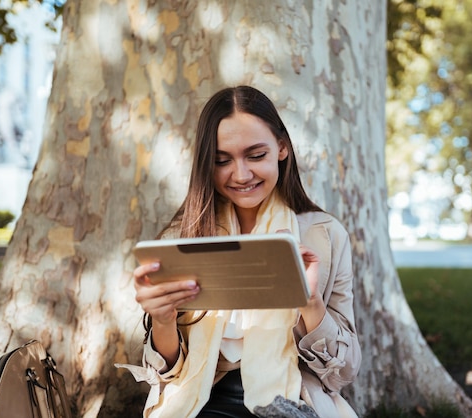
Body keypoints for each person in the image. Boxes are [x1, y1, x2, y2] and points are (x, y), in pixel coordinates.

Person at [118, 86, 361, 418]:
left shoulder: (324, 236)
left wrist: (310, 303)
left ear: (281, 148)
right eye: (222, 161)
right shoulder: (184, 237)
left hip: (292, 396)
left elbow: (343, 373)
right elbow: (163, 375)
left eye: (256, 155)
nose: (241, 174)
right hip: (202, 397)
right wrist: (163, 320)